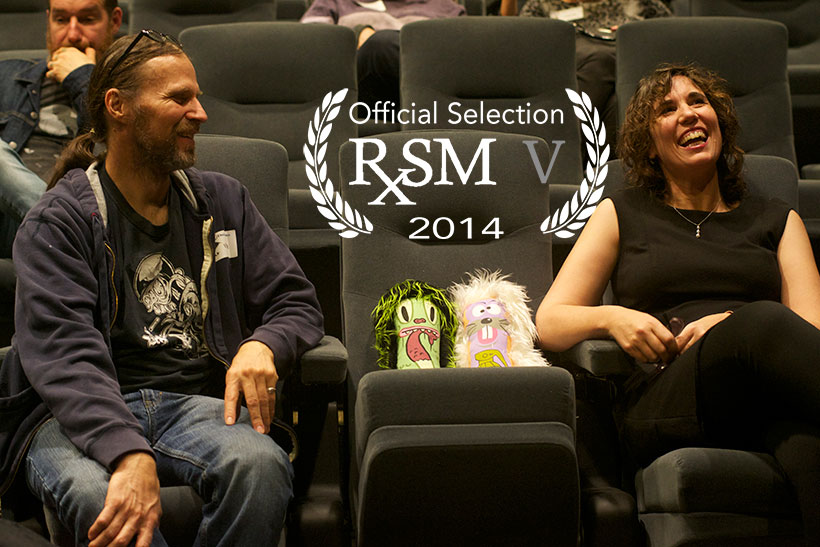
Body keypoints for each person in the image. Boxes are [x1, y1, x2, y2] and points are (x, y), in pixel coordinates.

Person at [0, 31, 324, 546]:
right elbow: (63, 357)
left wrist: (265, 343)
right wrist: (126, 453)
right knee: (100, 498)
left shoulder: (222, 201)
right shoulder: (58, 221)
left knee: (260, 466)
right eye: (179, 98)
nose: (200, 113)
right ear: (118, 107)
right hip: (74, 413)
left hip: (193, 404)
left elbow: (296, 300)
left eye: (196, 97)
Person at [536, 63, 820, 544]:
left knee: (809, 446)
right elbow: (550, 322)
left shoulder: (776, 219)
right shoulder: (621, 212)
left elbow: (810, 329)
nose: (688, 114)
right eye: (667, 109)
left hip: (762, 393)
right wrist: (612, 317)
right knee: (765, 323)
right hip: (666, 394)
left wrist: (730, 325)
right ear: (649, 144)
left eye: (698, 102)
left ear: (720, 122)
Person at [0, 0, 122, 257]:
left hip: (89, 212)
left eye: (87, 20)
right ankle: (62, 228)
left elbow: (107, 151)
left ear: (114, 21)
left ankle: (62, 229)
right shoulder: (7, 76)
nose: (72, 34)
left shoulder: (128, 93)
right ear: (48, 21)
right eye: (61, 20)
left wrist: (84, 78)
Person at [510, 0, 671, 156]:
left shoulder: (641, 3)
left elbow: (670, 36)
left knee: (618, 102)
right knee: (603, 64)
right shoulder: (541, 5)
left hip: (629, 70)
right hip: (575, 71)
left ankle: (564, 155)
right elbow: (527, 49)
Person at [300, 0, 465, 113]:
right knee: (380, 45)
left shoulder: (446, 7)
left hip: (424, 88)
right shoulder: (336, 2)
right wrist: (356, 36)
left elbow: (463, 59)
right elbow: (309, 47)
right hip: (361, 91)